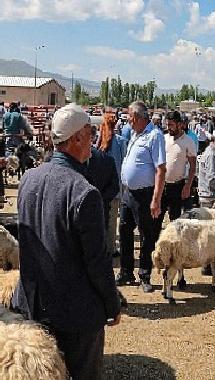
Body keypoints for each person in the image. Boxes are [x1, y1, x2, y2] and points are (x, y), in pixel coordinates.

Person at [13, 103, 121, 379]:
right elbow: (97, 261)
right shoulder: (84, 193)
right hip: (75, 316)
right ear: (76, 139)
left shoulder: (29, 178)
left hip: (33, 307)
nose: (94, 140)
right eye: (90, 133)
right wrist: (112, 304)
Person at [116, 101, 166, 293]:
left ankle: (145, 274)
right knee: (125, 231)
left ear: (137, 117)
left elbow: (160, 169)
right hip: (128, 193)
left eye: (129, 116)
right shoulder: (135, 134)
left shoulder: (155, 136)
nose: (127, 119)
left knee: (147, 235)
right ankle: (126, 271)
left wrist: (156, 199)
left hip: (144, 194)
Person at [98, 113, 127, 257]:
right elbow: (124, 164)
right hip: (114, 187)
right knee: (112, 220)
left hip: (99, 187)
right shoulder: (121, 142)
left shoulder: (98, 143)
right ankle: (110, 248)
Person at [161, 110, 197, 221]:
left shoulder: (188, 141)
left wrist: (187, 186)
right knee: (155, 220)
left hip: (177, 188)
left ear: (180, 124)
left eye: (171, 125)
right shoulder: (164, 138)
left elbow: (193, 166)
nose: (168, 128)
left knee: (175, 221)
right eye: (167, 125)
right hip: (162, 185)